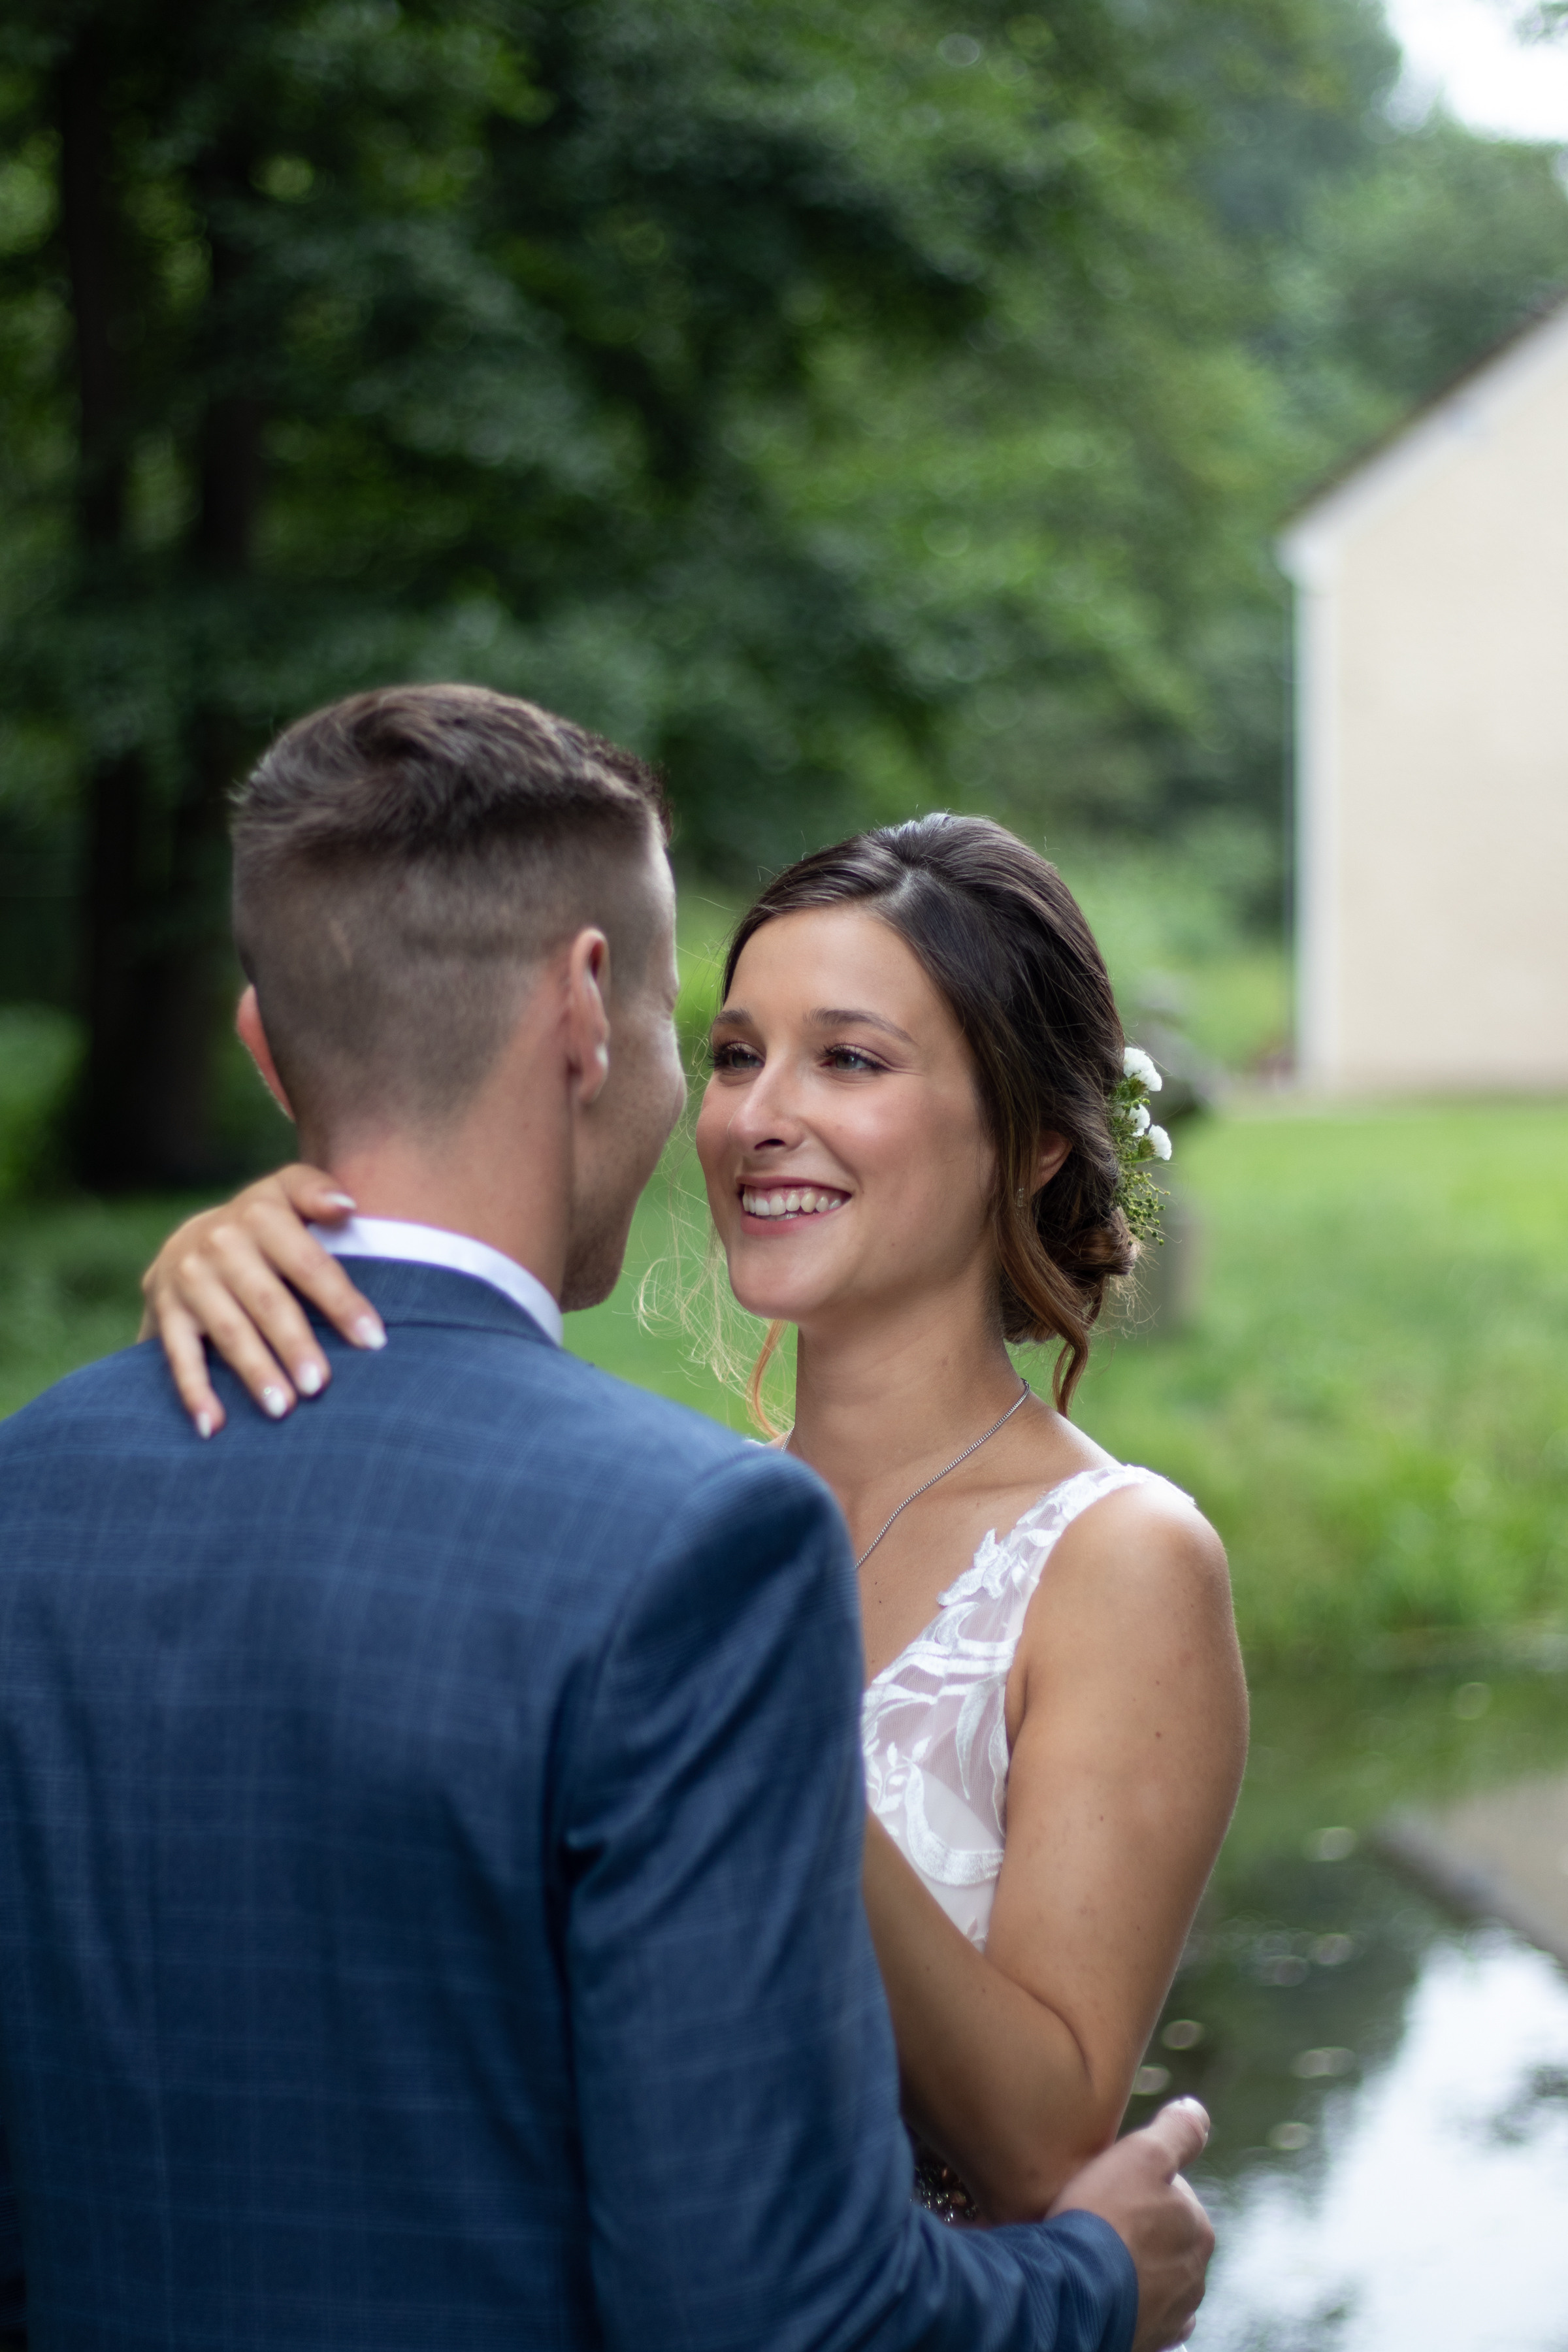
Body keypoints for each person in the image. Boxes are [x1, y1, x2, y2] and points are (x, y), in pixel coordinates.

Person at [0, 683, 1213, 2352]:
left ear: (1024, 1137)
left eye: (846, 1059)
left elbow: (1054, 2144)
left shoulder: (1112, 1556)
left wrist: (752, 1754)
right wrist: (296, 1258)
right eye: (728, 1052)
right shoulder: (672, 1522)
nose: (755, 1113)